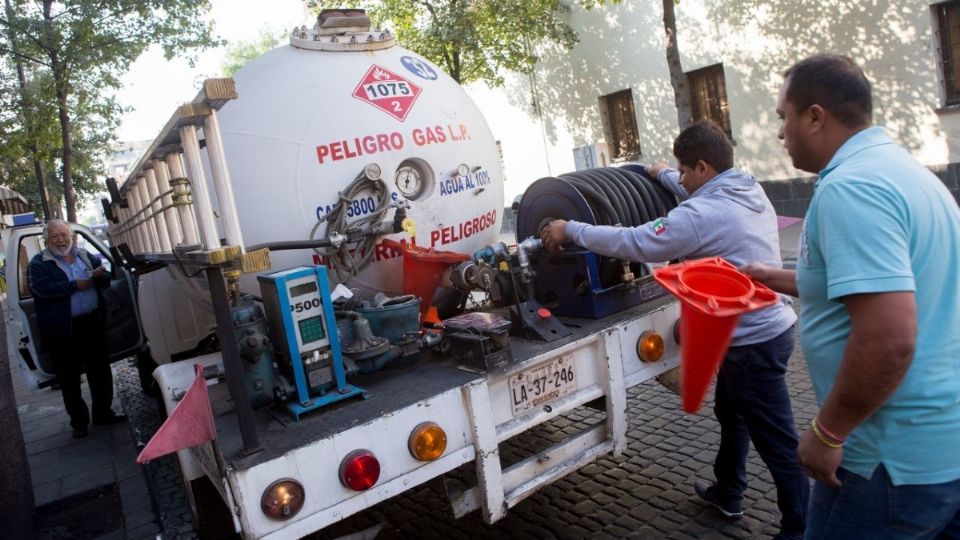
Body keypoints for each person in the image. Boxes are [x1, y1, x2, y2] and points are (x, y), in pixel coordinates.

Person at [541, 120, 808, 539]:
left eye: (685, 171)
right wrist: (661, 172)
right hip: (765, 330)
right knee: (731, 413)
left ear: (703, 167)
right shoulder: (745, 187)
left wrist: (569, 229)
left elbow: (637, 242)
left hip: (751, 341)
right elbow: (691, 190)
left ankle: (801, 528)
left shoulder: (701, 215)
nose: (680, 180)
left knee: (777, 440)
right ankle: (729, 491)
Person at [742, 54, 960, 538]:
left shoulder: (850, 188)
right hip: (940, 448)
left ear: (815, 117)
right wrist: (771, 276)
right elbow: (866, 288)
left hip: (884, 462)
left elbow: (889, 338)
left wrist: (827, 432)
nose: (780, 134)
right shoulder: (906, 172)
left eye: (784, 117)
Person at [28, 219, 126, 439]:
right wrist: (74, 285)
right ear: (46, 239)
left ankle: (103, 413)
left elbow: (105, 282)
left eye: (64, 235)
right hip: (63, 329)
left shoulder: (84, 255)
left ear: (71, 236)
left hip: (91, 322)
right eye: (55, 236)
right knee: (70, 379)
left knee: (100, 371)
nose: (61, 240)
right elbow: (41, 290)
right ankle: (79, 423)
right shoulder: (38, 263)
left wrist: (101, 275)